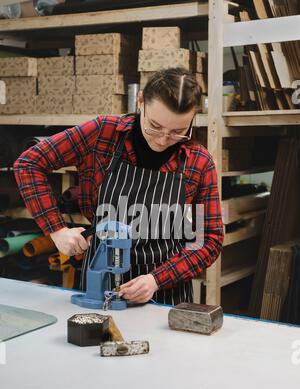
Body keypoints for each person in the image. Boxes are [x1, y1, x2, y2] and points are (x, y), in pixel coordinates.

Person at [14, 67, 224, 306]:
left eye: (178, 132)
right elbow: (29, 164)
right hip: (98, 289)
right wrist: (57, 230)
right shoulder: (103, 134)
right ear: (141, 100)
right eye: (154, 126)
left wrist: (156, 279)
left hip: (165, 297)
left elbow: (208, 240)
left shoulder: (198, 163)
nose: (163, 140)